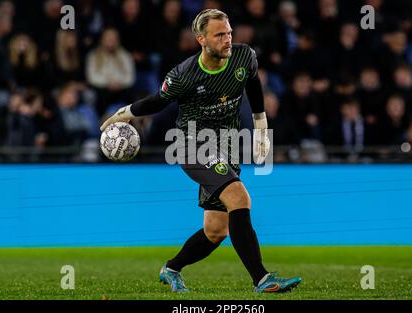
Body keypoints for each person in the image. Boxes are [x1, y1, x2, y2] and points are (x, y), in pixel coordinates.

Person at [100, 9, 301, 293]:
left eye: (229, 32)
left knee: (216, 230)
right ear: (201, 40)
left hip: (227, 145)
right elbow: (159, 101)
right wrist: (126, 112)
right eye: (220, 35)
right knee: (239, 197)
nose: (228, 39)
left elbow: (253, 82)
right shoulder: (184, 75)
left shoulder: (244, 57)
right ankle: (262, 279)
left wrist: (260, 122)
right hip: (193, 145)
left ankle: (171, 269)